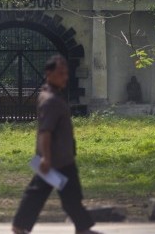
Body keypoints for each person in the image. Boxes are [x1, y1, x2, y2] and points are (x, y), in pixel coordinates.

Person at [12, 55, 101, 234]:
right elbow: (46, 131)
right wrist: (45, 158)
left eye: (66, 73)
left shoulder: (53, 96)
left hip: (62, 156)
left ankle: (82, 227)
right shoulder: (50, 100)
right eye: (61, 73)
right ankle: (19, 225)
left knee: (70, 194)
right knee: (41, 192)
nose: (65, 77)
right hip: (54, 159)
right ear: (48, 73)